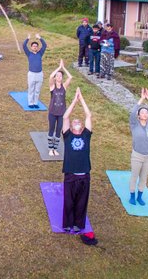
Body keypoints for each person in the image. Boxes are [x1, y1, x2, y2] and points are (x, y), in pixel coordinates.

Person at [61, 88, 97, 245]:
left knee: (81, 202)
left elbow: (88, 116)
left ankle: (78, 224)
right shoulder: (67, 135)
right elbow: (65, 116)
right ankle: (68, 224)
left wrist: (81, 99)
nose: (76, 121)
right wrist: (74, 101)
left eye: (78, 121)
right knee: (69, 201)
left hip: (84, 175)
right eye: (74, 121)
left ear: (81, 127)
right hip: (70, 174)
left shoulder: (86, 136)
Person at [47, 59, 72, 156]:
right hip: (52, 112)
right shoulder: (52, 86)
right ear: (55, 77)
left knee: (59, 130)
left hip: (61, 113)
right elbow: (50, 76)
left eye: (60, 76)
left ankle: (55, 148)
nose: (58, 77)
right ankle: (50, 148)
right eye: (57, 76)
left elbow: (70, 77)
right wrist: (58, 68)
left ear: (62, 78)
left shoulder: (64, 86)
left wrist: (63, 68)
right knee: (51, 129)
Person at [22, 33, 47, 108]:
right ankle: (30, 103)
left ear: (37, 47)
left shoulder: (40, 53)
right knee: (31, 88)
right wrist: (28, 39)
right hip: (31, 74)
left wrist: (39, 38)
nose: (35, 47)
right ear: (31, 47)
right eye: (33, 46)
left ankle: (35, 102)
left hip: (39, 74)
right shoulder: (29, 54)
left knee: (37, 89)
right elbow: (24, 46)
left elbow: (45, 45)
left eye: (36, 46)